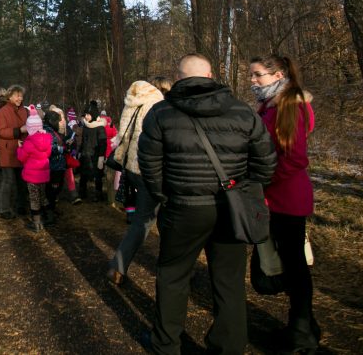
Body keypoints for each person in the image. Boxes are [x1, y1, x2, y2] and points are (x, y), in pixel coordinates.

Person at [139, 54, 276, 355]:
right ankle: (229, 346)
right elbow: (266, 163)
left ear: (179, 78)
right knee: (228, 280)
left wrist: (166, 196)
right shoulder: (242, 112)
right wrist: (243, 188)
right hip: (230, 208)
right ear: (211, 75)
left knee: (173, 276)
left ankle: (166, 344)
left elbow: (149, 166)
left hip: (183, 207)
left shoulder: (161, 114)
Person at [250, 55, 320, 353]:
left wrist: (264, 179)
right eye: (251, 76)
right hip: (273, 197)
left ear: (278, 74)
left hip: (287, 198)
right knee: (288, 265)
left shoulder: (291, 105)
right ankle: (304, 325)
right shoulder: (271, 106)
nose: (252, 81)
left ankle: (301, 333)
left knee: (294, 266)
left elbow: (294, 158)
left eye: (258, 75)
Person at [107, 77, 170, 286]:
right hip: (152, 169)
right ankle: (174, 269)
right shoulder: (159, 106)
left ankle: (118, 266)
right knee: (158, 221)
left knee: (142, 220)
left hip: (134, 167)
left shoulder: (133, 102)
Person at [0, 85, 29, 219]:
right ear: (10, 96)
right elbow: (1, 131)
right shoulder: (3, 111)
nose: (19, 98)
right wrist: (18, 131)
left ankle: (21, 205)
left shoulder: (24, 111)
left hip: (22, 150)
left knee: (23, 180)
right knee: (8, 181)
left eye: (21, 96)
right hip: (8, 150)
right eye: (17, 95)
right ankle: (3, 209)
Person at [16, 106, 52, 232]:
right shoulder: (47, 140)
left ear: (29, 128)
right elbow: (47, 154)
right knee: (43, 196)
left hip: (32, 176)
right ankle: (48, 216)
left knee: (34, 198)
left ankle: (36, 222)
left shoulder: (28, 143)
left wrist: (19, 148)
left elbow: (22, 158)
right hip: (44, 174)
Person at [79, 102, 107, 202]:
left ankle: (98, 195)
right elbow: (83, 140)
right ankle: (82, 193)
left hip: (95, 156)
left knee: (97, 176)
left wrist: (101, 157)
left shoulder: (100, 127)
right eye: (85, 114)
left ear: (94, 115)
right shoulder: (86, 126)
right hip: (85, 154)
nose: (85, 117)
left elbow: (103, 143)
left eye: (88, 114)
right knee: (83, 175)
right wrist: (80, 151)